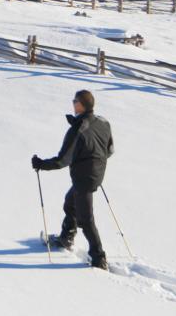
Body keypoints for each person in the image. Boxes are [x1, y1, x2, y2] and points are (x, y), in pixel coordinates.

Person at [31, 88, 114, 269]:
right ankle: (66, 237)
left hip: (85, 178)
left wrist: (40, 164)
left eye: (74, 101)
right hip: (96, 174)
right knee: (70, 203)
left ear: (81, 105)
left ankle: (99, 258)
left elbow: (62, 160)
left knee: (86, 219)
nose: (72, 103)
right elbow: (110, 150)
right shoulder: (103, 122)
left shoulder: (78, 130)